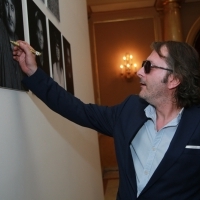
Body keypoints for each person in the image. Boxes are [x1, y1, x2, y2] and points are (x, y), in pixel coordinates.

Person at [13, 40, 200, 200]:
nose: (139, 71)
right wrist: (33, 72)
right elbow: (78, 110)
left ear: (174, 79)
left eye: (149, 66)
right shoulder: (130, 110)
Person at [0, 0, 26, 90]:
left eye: (12, 8)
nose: (9, 15)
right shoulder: (1, 31)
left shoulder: (20, 45)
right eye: (6, 5)